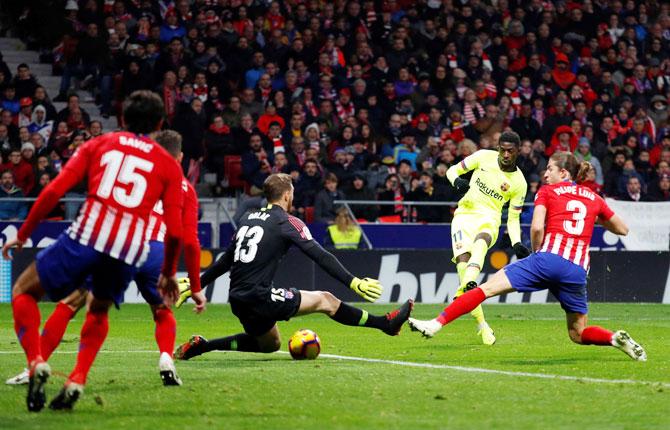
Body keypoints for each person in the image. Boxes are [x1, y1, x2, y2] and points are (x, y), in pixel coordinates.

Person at [2, 90, 187, 412]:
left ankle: (36, 362)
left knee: (24, 291)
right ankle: (77, 378)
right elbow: (174, 231)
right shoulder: (169, 166)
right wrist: (169, 273)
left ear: (123, 119)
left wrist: (24, 233)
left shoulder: (100, 143)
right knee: (98, 311)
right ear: (158, 123)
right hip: (129, 249)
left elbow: (54, 190)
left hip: (88, 236)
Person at [408, 152, 647, 362]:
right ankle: (614, 338)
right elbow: (622, 229)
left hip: (546, 259)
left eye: (550, 169)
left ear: (563, 172)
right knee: (578, 333)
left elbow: (535, 228)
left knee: (485, 289)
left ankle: (434, 324)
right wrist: (596, 217)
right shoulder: (593, 197)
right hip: (576, 270)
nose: (545, 174)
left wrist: (536, 252)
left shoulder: (548, 191)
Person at [173, 173, 412, 360]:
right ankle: (385, 324)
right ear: (287, 195)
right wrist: (353, 282)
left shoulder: (247, 218)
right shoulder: (287, 222)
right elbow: (320, 255)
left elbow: (226, 260)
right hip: (260, 297)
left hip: (237, 298)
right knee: (325, 300)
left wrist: (198, 283)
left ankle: (204, 346)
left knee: (270, 345)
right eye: (293, 193)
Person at [444, 131, 529, 345]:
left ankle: (469, 283)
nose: (506, 154)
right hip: (464, 215)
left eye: (510, 151)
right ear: (498, 147)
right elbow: (452, 170)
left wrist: (517, 241)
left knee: (481, 241)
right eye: (502, 149)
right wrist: (457, 182)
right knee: (463, 265)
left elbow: (513, 217)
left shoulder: (519, 182)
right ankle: (482, 325)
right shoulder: (482, 156)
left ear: (518, 151)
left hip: (490, 219)